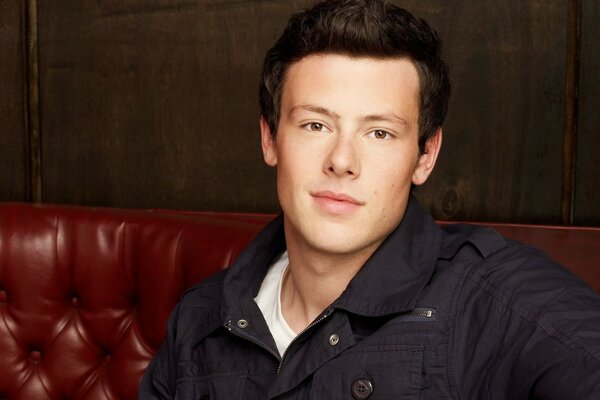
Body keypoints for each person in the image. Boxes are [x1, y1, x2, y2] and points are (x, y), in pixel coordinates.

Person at [139, 0, 600, 398]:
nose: (342, 160)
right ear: (269, 139)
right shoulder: (200, 319)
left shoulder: (496, 301)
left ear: (425, 155)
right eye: (315, 125)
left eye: (379, 132)